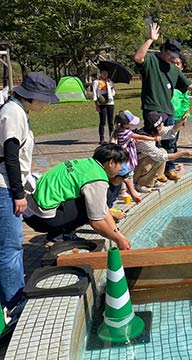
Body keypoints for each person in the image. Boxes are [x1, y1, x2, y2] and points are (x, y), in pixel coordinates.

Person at [0, 72, 58, 313]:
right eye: (44, 99)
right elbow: (10, 156)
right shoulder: (12, 112)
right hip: (4, 187)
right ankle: (14, 304)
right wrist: (17, 194)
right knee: (10, 249)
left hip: (9, 185)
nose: (46, 103)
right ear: (32, 97)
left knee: (8, 247)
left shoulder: (17, 111)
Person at [134, 23, 192, 181]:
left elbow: (188, 84)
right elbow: (138, 58)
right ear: (163, 50)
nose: (173, 58)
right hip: (152, 110)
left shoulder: (174, 69)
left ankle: (169, 169)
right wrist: (151, 39)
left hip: (168, 110)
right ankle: (152, 175)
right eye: (170, 54)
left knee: (170, 141)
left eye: (175, 56)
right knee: (154, 144)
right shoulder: (151, 60)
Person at [24, 144, 132, 250]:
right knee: (96, 201)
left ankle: (57, 234)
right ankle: (62, 234)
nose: (120, 169)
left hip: (29, 212)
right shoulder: (97, 179)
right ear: (111, 163)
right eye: (120, 164)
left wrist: (118, 234)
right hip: (42, 220)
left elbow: (103, 208)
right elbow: (96, 221)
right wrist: (118, 240)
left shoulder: (85, 164)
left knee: (96, 200)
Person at [134, 112, 192, 192]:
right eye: (161, 124)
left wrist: (181, 121)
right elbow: (161, 157)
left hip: (141, 164)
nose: (163, 124)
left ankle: (154, 178)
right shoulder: (144, 141)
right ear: (156, 128)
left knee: (162, 150)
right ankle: (142, 184)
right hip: (135, 170)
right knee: (157, 156)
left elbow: (170, 131)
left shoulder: (152, 132)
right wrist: (182, 153)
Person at [92, 70, 115, 144]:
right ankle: (101, 139)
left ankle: (112, 138)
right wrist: (96, 105)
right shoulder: (96, 82)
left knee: (111, 122)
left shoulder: (110, 82)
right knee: (102, 121)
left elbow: (113, 93)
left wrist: (110, 87)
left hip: (110, 103)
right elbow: (95, 94)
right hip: (101, 103)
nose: (105, 75)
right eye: (103, 73)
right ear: (100, 74)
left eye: (106, 73)